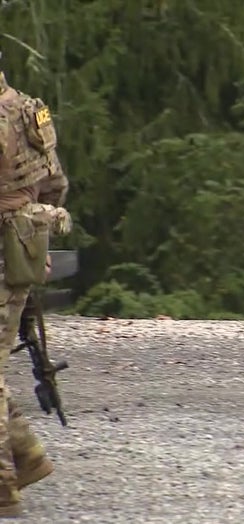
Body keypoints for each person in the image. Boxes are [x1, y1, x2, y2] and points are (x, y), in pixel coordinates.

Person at [0, 55, 71, 517]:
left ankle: (4, 486)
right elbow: (55, 183)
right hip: (22, 244)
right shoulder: (28, 109)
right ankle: (25, 456)